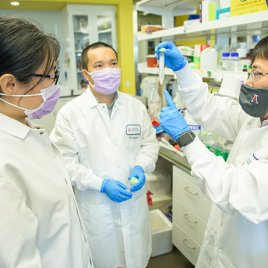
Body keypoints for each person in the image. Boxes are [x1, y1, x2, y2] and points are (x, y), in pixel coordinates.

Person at [155, 37, 268, 268]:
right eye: (250, 71)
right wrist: (183, 69)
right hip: (225, 247)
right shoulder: (255, 118)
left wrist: (186, 138)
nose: (248, 82)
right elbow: (210, 108)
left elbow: (233, 189)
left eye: (257, 74)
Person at [50, 42, 159, 268]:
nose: (108, 70)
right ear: (86, 73)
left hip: (133, 203)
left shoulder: (135, 107)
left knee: (137, 259)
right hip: (97, 207)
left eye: (113, 63)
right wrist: (100, 184)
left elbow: (149, 145)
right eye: (99, 65)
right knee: (105, 260)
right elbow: (64, 162)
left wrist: (141, 166)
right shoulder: (70, 114)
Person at [0, 17, 93, 268]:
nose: (55, 84)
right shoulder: (4, 161)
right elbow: (18, 260)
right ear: (10, 84)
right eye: (49, 75)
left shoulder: (28, 131)